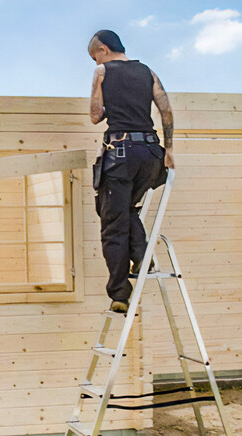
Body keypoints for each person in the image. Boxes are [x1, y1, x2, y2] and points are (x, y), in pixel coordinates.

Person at [88, 30, 174, 313]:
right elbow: (165, 110)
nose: (94, 62)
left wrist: (102, 92)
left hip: (122, 154)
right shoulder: (148, 72)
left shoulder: (101, 71)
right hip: (151, 156)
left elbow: (95, 115)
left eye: (94, 56)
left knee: (112, 222)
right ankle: (141, 255)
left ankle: (120, 295)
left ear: (103, 49)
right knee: (124, 210)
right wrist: (169, 149)